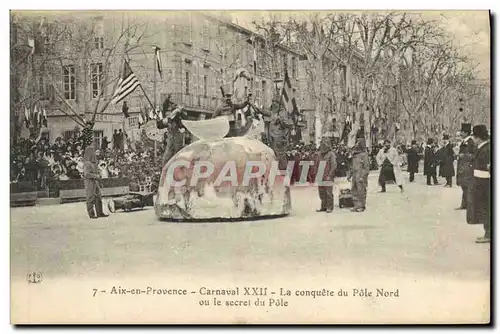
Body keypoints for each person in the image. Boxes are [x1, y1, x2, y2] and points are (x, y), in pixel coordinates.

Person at [467, 125, 490, 243]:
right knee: (484, 208)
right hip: (481, 182)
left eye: (474, 136)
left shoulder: (487, 149)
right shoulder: (483, 147)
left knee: (486, 208)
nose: (473, 139)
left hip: (484, 183)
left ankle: (489, 234)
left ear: (478, 137)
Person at [83, 146, 108, 219]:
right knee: (90, 198)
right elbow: (86, 174)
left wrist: (99, 179)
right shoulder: (87, 163)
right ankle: (91, 214)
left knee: (98, 198)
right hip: (89, 183)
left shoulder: (94, 163)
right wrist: (96, 176)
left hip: (95, 183)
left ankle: (99, 213)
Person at [456, 123, 475, 210]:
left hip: (468, 168)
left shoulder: (471, 142)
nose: (460, 133)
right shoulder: (463, 142)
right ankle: (464, 204)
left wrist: (464, 156)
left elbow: (474, 155)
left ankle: (468, 205)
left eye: (462, 132)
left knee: (467, 187)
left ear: (466, 133)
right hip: (462, 167)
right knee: (464, 186)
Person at [349, 136, 369, 212]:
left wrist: (363, 176)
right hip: (355, 174)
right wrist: (350, 175)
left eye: (358, 143)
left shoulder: (364, 155)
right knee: (354, 189)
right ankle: (356, 205)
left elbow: (366, 167)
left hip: (361, 174)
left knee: (361, 190)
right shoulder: (355, 154)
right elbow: (352, 166)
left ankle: (362, 205)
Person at [316, 137, 336, 213]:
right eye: (322, 143)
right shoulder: (319, 154)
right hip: (320, 175)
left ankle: (330, 207)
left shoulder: (331, 154)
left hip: (328, 176)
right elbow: (317, 165)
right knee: (321, 192)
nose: (322, 145)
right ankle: (323, 206)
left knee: (328, 193)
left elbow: (334, 165)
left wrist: (330, 175)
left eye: (324, 143)